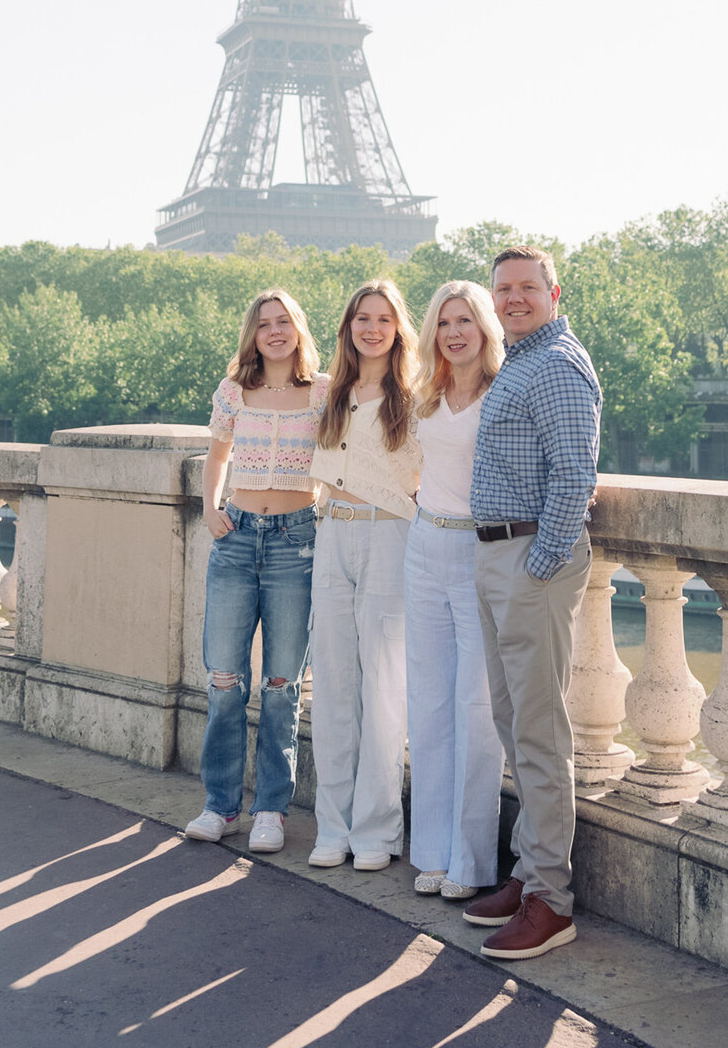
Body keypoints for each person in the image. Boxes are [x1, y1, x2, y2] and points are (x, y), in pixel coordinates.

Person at [463, 245, 601, 960]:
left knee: (541, 733)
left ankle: (552, 898)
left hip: (527, 561)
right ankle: (528, 871)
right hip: (500, 555)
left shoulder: (557, 364)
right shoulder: (521, 358)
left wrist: (539, 565)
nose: (513, 298)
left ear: (554, 290)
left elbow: (576, 475)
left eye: (526, 287)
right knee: (513, 720)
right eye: (503, 289)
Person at [184, 289, 327, 855]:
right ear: (253, 333)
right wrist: (210, 507)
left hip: (298, 541)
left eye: (284, 321)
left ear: (298, 328)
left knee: (281, 686)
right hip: (238, 539)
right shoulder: (233, 392)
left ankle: (271, 809)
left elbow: (346, 455)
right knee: (224, 681)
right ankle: (220, 806)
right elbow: (217, 456)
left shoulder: (322, 392)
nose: (274, 331)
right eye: (264, 323)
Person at [307, 279, 422, 871]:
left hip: (389, 535)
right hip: (332, 531)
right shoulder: (329, 394)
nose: (371, 327)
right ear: (348, 327)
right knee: (330, 685)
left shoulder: (418, 395)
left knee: (382, 687)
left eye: (383, 318)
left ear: (399, 328)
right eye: (361, 318)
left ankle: (376, 831)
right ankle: (333, 825)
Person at [404, 280, 507, 901]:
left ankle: (470, 864)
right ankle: (433, 852)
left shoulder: (502, 393)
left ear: (485, 328)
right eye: (445, 322)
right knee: (430, 706)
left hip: (477, 551)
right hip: (423, 546)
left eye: (466, 320)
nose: (454, 331)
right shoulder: (425, 395)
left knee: (475, 709)